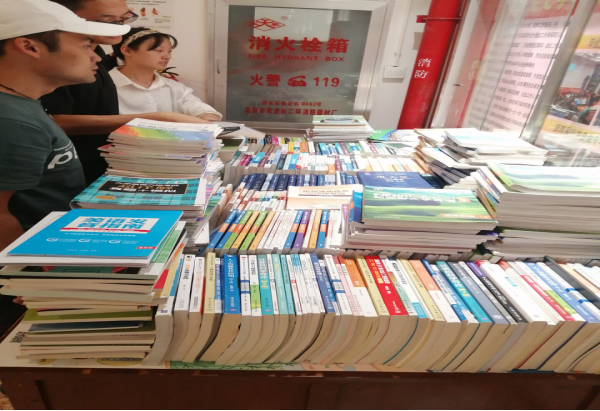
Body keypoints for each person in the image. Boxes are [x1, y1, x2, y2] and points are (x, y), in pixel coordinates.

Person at [0, 0, 130, 250]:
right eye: (85, 45)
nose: (95, 56)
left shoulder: (24, 104)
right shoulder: (11, 121)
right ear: (29, 47)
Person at [43, 0, 211, 186]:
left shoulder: (100, 58)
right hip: (70, 169)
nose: (121, 27)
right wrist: (157, 119)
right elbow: (52, 121)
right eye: (111, 20)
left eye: (125, 19)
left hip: (108, 165)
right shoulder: (60, 62)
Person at [110, 27, 222, 121]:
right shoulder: (107, 86)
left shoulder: (174, 88)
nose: (167, 56)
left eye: (169, 51)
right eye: (159, 50)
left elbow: (206, 112)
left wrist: (206, 119)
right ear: (127, 51)